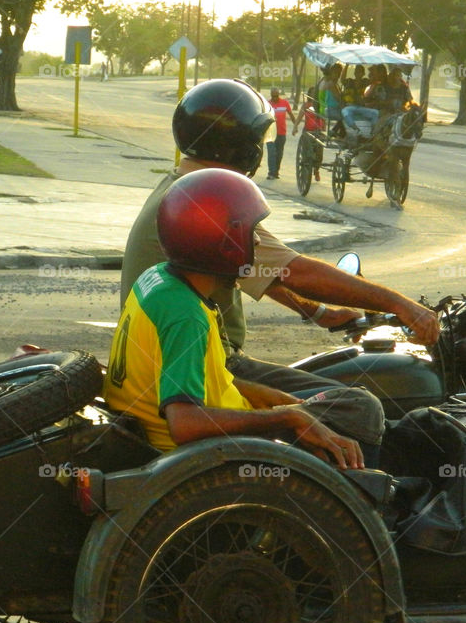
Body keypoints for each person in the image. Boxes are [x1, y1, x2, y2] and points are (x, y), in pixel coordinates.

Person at [119, 78, 440, 398]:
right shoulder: (208, 206)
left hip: (167, 366)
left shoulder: (180, 189)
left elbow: (257, 270)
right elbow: (296, 272)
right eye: (260, 137)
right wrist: (402, 305)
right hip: (205, 368)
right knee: (354, 402)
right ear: (244, 145)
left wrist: (322, 313)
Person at [106, 168, 382, 468]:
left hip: (205, 426)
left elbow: (210, 380)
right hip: (213, 451)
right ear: (224, 243)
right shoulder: (187, 317)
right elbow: (185, 424)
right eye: (251, 233)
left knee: (344, 404)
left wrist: (282, 403)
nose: (259, 244)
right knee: (362, 408)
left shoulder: (157, 280)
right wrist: (287, 417)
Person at [293, 88, 325, 181]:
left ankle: (317, 170)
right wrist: (295, 127)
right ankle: (306, 171)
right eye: (312, 93)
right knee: (306, 153)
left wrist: (324, 129)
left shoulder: (320, 105)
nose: (314, 94)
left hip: (319, 131)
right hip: (307, 131)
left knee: (319, 152)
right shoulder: (306, 105)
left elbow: (324, 119)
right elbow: (299, 117)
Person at [265, 87, 293, 180]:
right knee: (271, 153)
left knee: (279, 154)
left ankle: (276, 172)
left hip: (281, 133)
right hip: (270, 133)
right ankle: (271, 173)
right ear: (271, 95)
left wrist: (295, 126)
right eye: (273, 96)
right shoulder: (267, 105)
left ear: (279, 95)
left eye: (276, 96)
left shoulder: (285, 103)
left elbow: (291, 115)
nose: (275, 98)